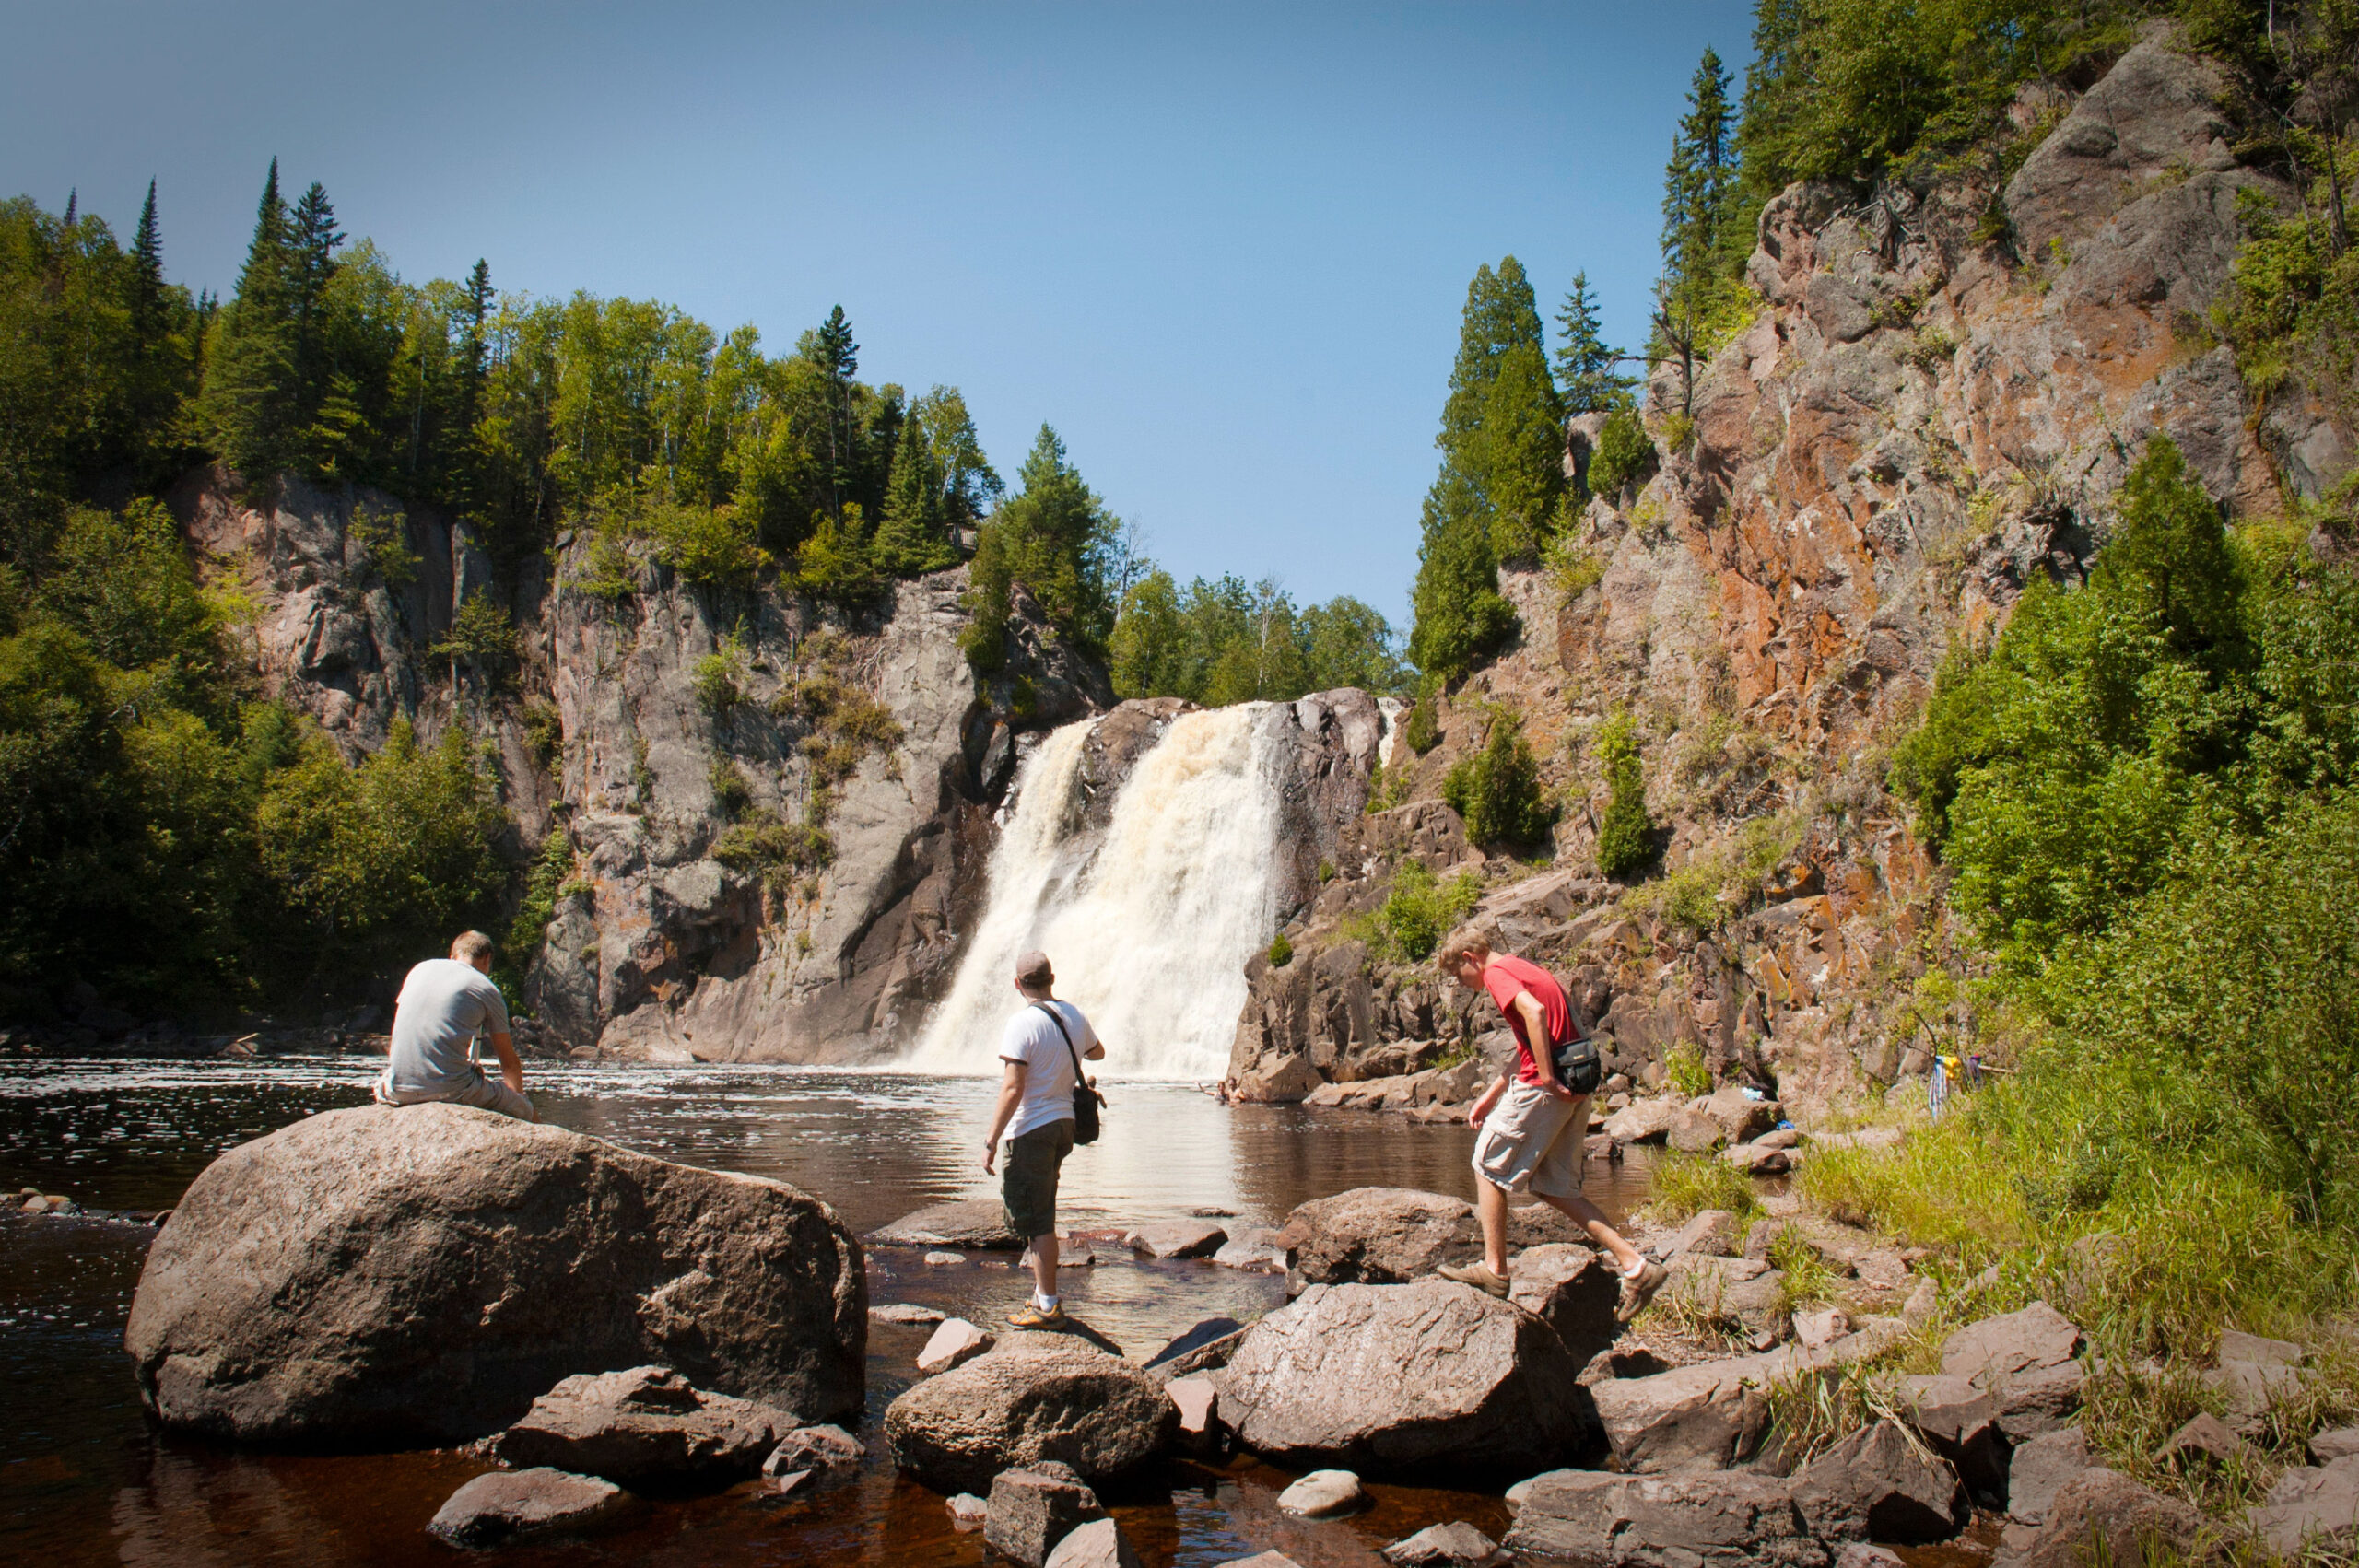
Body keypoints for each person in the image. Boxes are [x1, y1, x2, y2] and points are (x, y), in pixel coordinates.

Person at [1434, 924, 1667, 1321]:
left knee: (1486, 1166)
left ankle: (1494, 1272)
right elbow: (1529, 1036)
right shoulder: (1522, 967)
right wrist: (1491, 1096)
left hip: (1546, 1087)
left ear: (1470, 958)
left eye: (1458, 974)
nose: (1460, 982)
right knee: (1553, 1186)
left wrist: (1543, 1077)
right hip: (1575, 1080)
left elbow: (1534, 1013)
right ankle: (1637, 1267)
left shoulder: (1496, 973)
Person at [981, 949, 1104, 1329]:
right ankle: (1040, 1295)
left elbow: (1013, 1088)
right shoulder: (1074, 1014)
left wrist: (990, 1140)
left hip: (1032, 1128)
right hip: (1065, 1125)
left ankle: (1048, 1306)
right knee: (1042, 1208)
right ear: (1053, 978)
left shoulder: (1021, 1024)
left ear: (1018, 984)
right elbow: (1098, 1053)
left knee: (1037, 1221)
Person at [374, 931, 535, 1121]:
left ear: (452, 957)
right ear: (487, 958)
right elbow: (509, 1064)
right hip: (450, 1091)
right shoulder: (486, 988)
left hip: (395, 1090)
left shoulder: (419, 969)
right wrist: (518, 1103)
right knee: (524, 1108)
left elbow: (404, 1029)